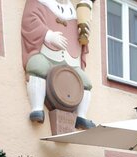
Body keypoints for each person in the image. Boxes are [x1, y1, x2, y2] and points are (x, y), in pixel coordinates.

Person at [21, 0, 94, 128]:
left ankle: (81, 117)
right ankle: (37, 109)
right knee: (37, 66)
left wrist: (85, 35)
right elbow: (30, 20)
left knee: (85, 82)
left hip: (71, 61)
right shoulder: (39, 2)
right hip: (47, 55)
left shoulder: (74, 12)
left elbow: (80, 38)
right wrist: (48, 35)